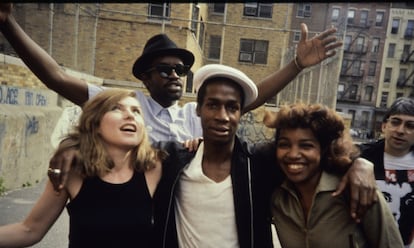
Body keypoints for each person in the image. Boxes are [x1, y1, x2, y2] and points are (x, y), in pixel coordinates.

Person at [149, 64, 378, 248]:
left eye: (232, 107)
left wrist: (360, 163)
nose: (222, 116)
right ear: (199, 109)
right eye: (213, 105)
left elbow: (316, 147)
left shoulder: (256, 161)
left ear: (240, 113)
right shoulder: (174, 159)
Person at [0, 3, 342, 144]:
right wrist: (8, 23)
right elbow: (57, 79)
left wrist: (296, 65)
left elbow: (250, 96)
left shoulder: (193, 117)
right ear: (145, 78)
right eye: (164, 70)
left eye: (180, 69)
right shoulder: (126, 107)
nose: (176, 75)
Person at [0, 88, 167, 248]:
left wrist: (200, 142)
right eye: (116, 108)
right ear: (95, 124)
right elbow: (30, 230)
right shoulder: (73, 172)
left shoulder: (155, 168)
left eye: (136, 111)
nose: (130, 115)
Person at [265, 102, 414, 248]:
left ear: (324, 149)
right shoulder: (278, 196)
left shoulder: (357, 190)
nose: (293, 154)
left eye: (306, 145)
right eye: (284, 144)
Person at [360, 97, 414, 248]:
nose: (400, 130)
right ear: (384, 126)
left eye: (410, 126)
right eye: (395, 122)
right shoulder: (361, 156)